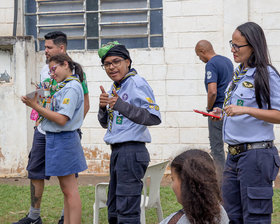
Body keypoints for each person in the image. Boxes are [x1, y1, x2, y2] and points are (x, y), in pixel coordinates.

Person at [13, 31, 90, 224]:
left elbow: (63, 118)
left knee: (70, 190)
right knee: (65, 188)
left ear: (65, 62)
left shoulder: (73, 86)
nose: (52, 74)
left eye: (54, 69)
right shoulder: (63, 83)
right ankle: (40, 217)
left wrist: (35, 106)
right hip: (54, 135)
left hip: (64, 137)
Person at [211, 22, 280, 223]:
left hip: (255, 156)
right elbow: (238, 110)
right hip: (233, 156)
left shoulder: (266, 74)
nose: (232, 50)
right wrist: (222, 112)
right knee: (231, 216)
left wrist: (246, 109)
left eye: (237, 46)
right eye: (231, 44)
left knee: (255, 217)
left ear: (253, 46)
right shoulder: (238, 74)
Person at [97, 41, 161, 223]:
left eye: (116, 61)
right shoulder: (116, 87)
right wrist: (103, 108)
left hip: (132, 151)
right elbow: (105, 124)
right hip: (117, 151)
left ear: (128, 62)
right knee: (115, 208)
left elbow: (153, 117)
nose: (111, 67)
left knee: (127, 209)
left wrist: (120, 105)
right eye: (107, 64)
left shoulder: (136, 83)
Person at [195, 40, 233, 177]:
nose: (200, 59)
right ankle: (232, 177)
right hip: (230, 110)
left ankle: (222, 183)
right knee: (232, 146)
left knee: (217, 149)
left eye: (199, 55)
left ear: (202, 51)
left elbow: (212, 91)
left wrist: (209, 108)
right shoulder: (227, 61)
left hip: (217, 112)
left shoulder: (211, 64)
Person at [160, 149, 229, 224]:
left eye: (173, 179)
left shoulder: (175, 221)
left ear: (185, 184)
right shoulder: (221, 213)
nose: (172, 186)